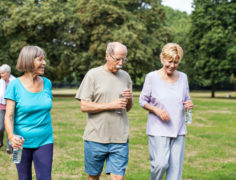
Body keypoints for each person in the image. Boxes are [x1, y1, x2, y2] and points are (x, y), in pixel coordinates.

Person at [75, 42, 133, 180]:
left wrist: (129, 99)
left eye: (123, 59)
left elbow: (128, 108)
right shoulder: (93, 75)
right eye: (117, 59)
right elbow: (84, 106)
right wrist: (111, 105)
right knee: (94, 176)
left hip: (120, 137)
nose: (120, 63)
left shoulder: (126, 76)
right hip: (96, 137)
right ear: (107, 56)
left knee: (118, 178)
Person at [139, 43, 194, 180]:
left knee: (175, 173)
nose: (172, 65)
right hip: (158, 129)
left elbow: (186, 98)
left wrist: (189, 104)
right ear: (162, 59)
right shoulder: (151, 77)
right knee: (160, 164)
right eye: (169, 61)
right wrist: (156, 110)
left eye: (176, 62)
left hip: (178, 129)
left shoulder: (183, 77)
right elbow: (142, 101)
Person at [4, 46, 54, 180]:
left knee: (45, 178)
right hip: (20, 143)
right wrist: (11, 136)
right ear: (28, 61)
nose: (44, 63)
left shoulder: (47, 83)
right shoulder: (14, 85)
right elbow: (8, 116)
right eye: (40, 60)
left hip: (45, 139)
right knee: (24, 177)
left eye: (44, 59)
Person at [0, 64, 15, 154]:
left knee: (10, 127)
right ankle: (0, 143)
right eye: (0, 73)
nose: (1, 75)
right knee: (0, 127)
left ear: (8, 73)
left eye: (3, 73)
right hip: (1, 106)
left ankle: (9, 146)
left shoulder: (15, 82)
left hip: (12, 107)